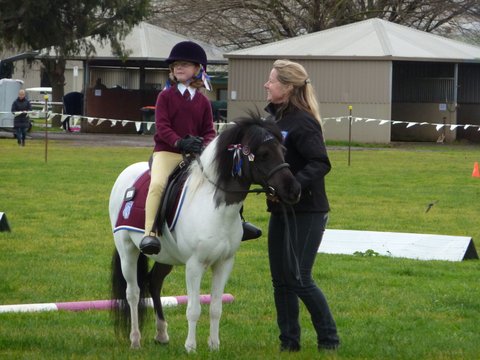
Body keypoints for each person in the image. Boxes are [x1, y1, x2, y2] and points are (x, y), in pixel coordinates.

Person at [263, 59, 340, 352]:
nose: (266, 85)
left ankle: (329, 341)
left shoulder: (304, 121)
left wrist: (293, 183)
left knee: (299, 277)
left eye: (271, 81)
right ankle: (289, 344)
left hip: (308, 210)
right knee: (280, 280)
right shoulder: (272, 120)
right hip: (280, 210)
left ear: (288, 87)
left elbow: (320, 162)